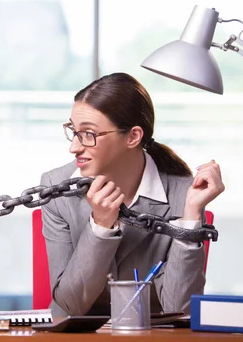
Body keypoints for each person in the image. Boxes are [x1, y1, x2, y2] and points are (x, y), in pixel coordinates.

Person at [41, 72, 225, 318]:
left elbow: (179, 308)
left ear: (133, 137)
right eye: (74, 131)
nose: (74, 147)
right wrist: (101, 226)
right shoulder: (57, 187)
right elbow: (70, 305)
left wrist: (191, 215)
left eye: (89, 134)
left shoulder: (184, 192)